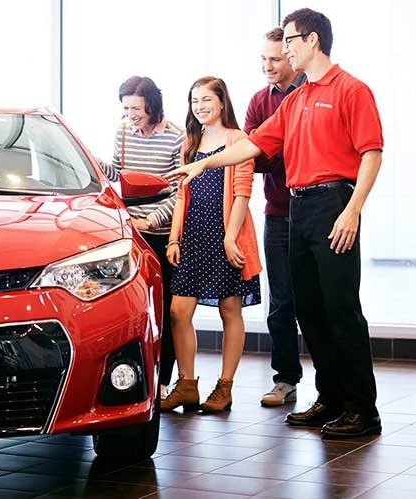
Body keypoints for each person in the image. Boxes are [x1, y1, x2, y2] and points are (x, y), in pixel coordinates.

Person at [169, 8, 383, 438]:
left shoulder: (351, 89)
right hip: (297, 208)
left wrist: (353, 208)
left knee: (341, 310)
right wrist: (201, 166)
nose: (283, 50)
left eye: (289, 41)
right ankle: (332, 398)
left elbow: (372, 152)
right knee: (308, 310)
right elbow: (250, 144)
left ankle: (363, 408)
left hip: (334, 203)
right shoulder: (296, 99)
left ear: (312, 41)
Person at [159, 76, 261, 414]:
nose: (199, 107)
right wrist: (174, 238)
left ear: (221, 102)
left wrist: (230, 237)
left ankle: (225, 386)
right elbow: (181, 194)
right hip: (192, 236)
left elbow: (242, 194)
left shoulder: (238, 140)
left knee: (229, 310)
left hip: (225, 236)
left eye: (206, 100)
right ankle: (187, 385)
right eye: (194, 101)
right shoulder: (191, 141)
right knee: (178, 311)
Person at [99, 76, 184, 398]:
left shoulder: (177, 137)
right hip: (132, 231)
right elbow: (120, 176)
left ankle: (163, 379)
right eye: (126, 107)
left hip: (161, 232)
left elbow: (179, 191)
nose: (131, 114)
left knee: (164, 307)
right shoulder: (123, 131)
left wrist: (154, 218)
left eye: (136, 107)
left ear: (152, 104)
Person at [245, 27, 306, 407]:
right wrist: (280, 149)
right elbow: (254, 157)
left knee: (317, 302)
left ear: (292, 58)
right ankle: (285, 380)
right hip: (278, 215)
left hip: (317, 213)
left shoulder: (309, 94)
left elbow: (306, 151)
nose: (267, 66)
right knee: (280, 303)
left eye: (275, 59)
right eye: (263, 59)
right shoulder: (257, 101)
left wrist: (275, 149)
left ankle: (335, 387)